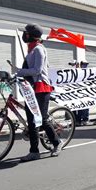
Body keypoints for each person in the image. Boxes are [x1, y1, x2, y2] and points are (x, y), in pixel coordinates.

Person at [16, 23, 62, 162]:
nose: (24, 35)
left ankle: (56, 142)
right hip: (30, 88)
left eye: (26, 33)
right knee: (31, 121)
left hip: (41, 87)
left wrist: (20, 71)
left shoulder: (39, 50)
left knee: (40, 118)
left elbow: (37, 70)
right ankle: (34, 151)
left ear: (30, 35)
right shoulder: (31, 50)